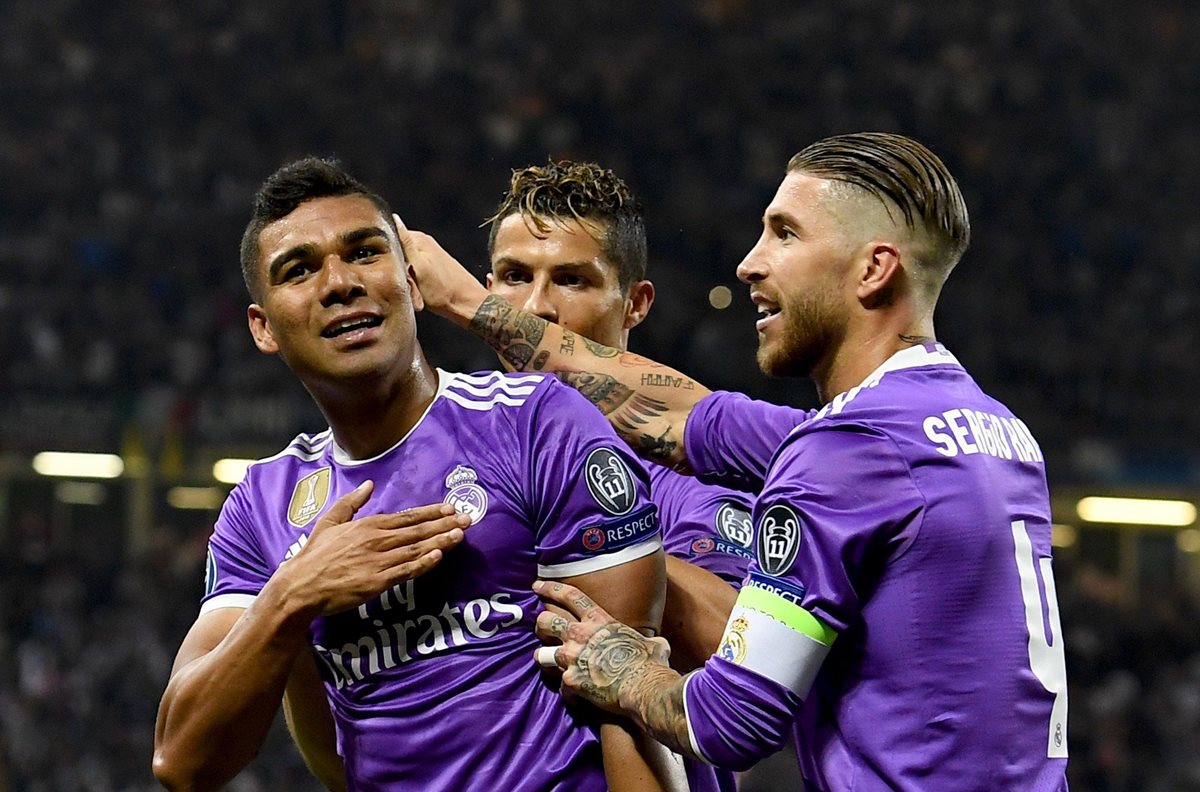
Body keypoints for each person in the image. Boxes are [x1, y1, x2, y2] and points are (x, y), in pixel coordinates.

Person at [398, 132, 1069, 790]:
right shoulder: (982, 429)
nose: (750, 263)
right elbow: (681, 415)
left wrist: (624, 663)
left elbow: (731, 720)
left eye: (785, 234)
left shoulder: (847, 454)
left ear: (873, 268)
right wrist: (473, 306)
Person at [151, 157, 670, 792]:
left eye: (364, 252)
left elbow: (628, 703)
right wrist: (293, 597)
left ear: (413, 282)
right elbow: (183, 761)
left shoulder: (537, 423)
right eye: (299, 269)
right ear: (263, 328)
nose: (338, 283)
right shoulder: (262, 503)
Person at [483, 160, 762, 791]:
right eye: (513, 277)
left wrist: (593, 551)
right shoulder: (442, 465)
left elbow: (747, 656)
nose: (534, 307)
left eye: (572, 280)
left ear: (634, 303)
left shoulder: (685, 481)